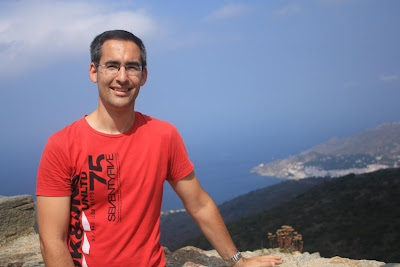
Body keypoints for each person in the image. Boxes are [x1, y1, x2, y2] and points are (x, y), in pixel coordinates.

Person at [36, 30, 282, 267]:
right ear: (93, 71)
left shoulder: (163, 135)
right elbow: (52, 241)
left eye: (132, 67)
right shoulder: (63, 145)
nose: (122, 77)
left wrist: (237, 261)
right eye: (112, 66)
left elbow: (198, 204)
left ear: (143, 75)